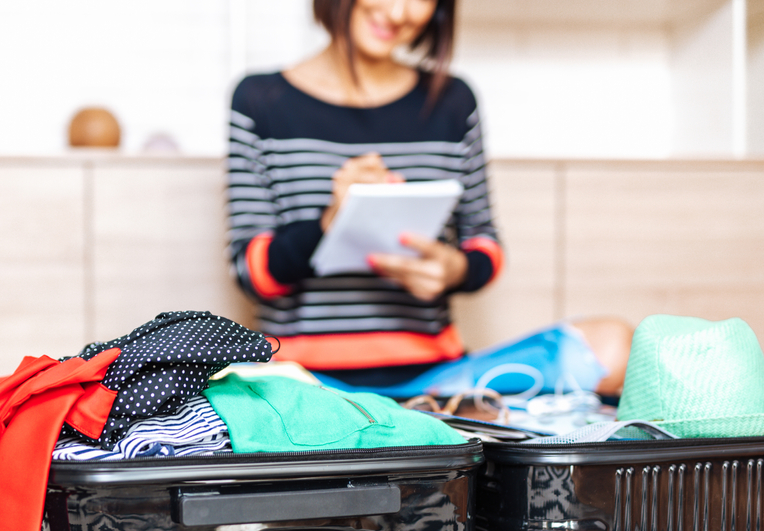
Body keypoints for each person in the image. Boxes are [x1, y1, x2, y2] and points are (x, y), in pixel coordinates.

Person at [226, 0, 632, 401]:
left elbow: (484, 243)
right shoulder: (259, 100)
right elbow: (250, 272)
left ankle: (414, 421)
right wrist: (330, 222)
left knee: (614, 345)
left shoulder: (453, 101)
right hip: (306, 382)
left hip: (440, 379)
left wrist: (455, 268)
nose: (400, 12)